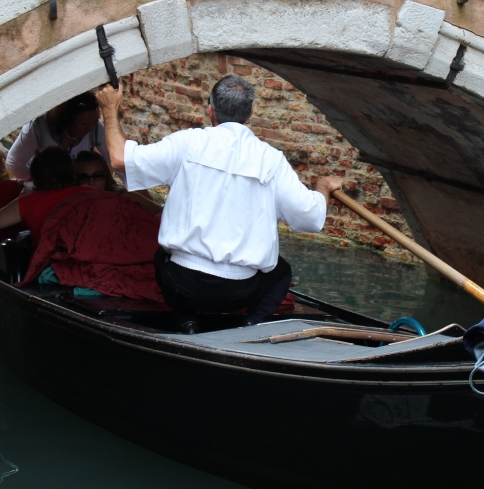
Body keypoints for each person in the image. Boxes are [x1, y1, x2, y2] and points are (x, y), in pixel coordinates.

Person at [96, 74, 343, 333]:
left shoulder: (186, 143)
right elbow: (311, 217)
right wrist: (323, 186)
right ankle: (251, 325)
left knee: (161, 256)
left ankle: (186, 321)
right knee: (282, 272)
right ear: (251, 113)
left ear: (210, 110)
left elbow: (120, 159)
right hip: (239, 292)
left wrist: (110, 109)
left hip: (183, 285)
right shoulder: (272, 160)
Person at [0, 146, 93, 242]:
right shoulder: (90, 193)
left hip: (50, 261)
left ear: (35, 176)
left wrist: (23, 198)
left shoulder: (30, 201)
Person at [6, 92, 123, 183]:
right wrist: (40, 181)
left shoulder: (96, 128)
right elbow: (14, 163)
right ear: (67, 120)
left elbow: (115, 161)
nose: (90, 128)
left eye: (93, 122)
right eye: (84, 124)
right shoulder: (37, 129)